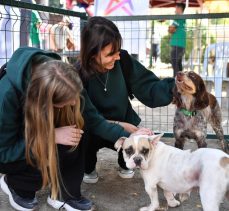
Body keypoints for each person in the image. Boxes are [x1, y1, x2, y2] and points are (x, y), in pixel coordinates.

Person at [75, 16, 175, 184]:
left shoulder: (124, 61)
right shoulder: (77, 74)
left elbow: (148, 87)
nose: (117, 57)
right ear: (92, 54)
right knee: (83, 138)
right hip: (94, 128)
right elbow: (87, 118)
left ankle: (125, 162)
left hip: (125, 123)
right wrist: (120, 126)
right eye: (110, 54)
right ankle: (88, 166)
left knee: (132, 155)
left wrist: (175, 89)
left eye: (118, 51)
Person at [0, 47, 92, 211]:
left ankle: (65, 193)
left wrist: (120, 130)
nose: (72, 102)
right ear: (44, 98)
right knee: (48, 149)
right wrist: (50, 136)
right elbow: (4, 153)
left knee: (77, 132)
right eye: (67, 99)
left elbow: (92, 116)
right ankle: (17, 185)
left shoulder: (59, 74)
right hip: (7, 153)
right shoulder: (5, 99)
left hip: (33, 134)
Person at [168, 2, 186, 77]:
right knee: (178, 64)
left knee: (175, 64)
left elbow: (171, 29)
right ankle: (181, 82)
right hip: (181, 45)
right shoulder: (182, 19)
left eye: (176, 8)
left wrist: (169, 29)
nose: (175, 10)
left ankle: (176, 82)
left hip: (177, 45)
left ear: (179, 9)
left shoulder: (178, 18)